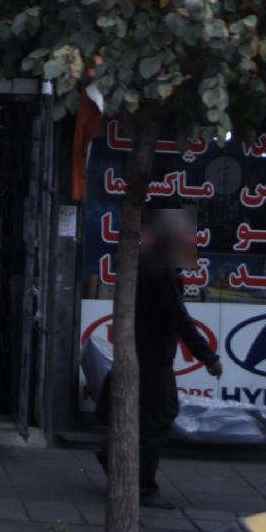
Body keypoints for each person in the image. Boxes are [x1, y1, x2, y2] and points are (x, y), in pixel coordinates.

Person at [98, 210, 222, 507]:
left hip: (139, 351)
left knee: (145, 415)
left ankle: (113, 456)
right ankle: (142, 485)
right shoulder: (161, 272)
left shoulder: (140, 263)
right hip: (153, 357)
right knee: (159, 418)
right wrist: (207, 356)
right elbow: (178, 317)